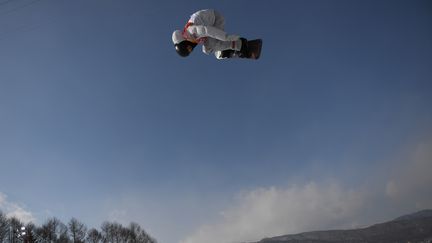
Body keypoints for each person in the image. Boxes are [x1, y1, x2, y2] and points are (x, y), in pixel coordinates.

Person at [172, 9, 251, 59]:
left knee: (209, 48)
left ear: (184, 42)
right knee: (208, 49)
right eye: (190, 51)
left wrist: (226, 37)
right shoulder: (190, 37)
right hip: (211, 22)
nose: (191, 49)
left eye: (188, 48)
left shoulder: (191, 31)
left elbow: (208, 30)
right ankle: (226, 50)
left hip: (216, 19)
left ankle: (240, 44)